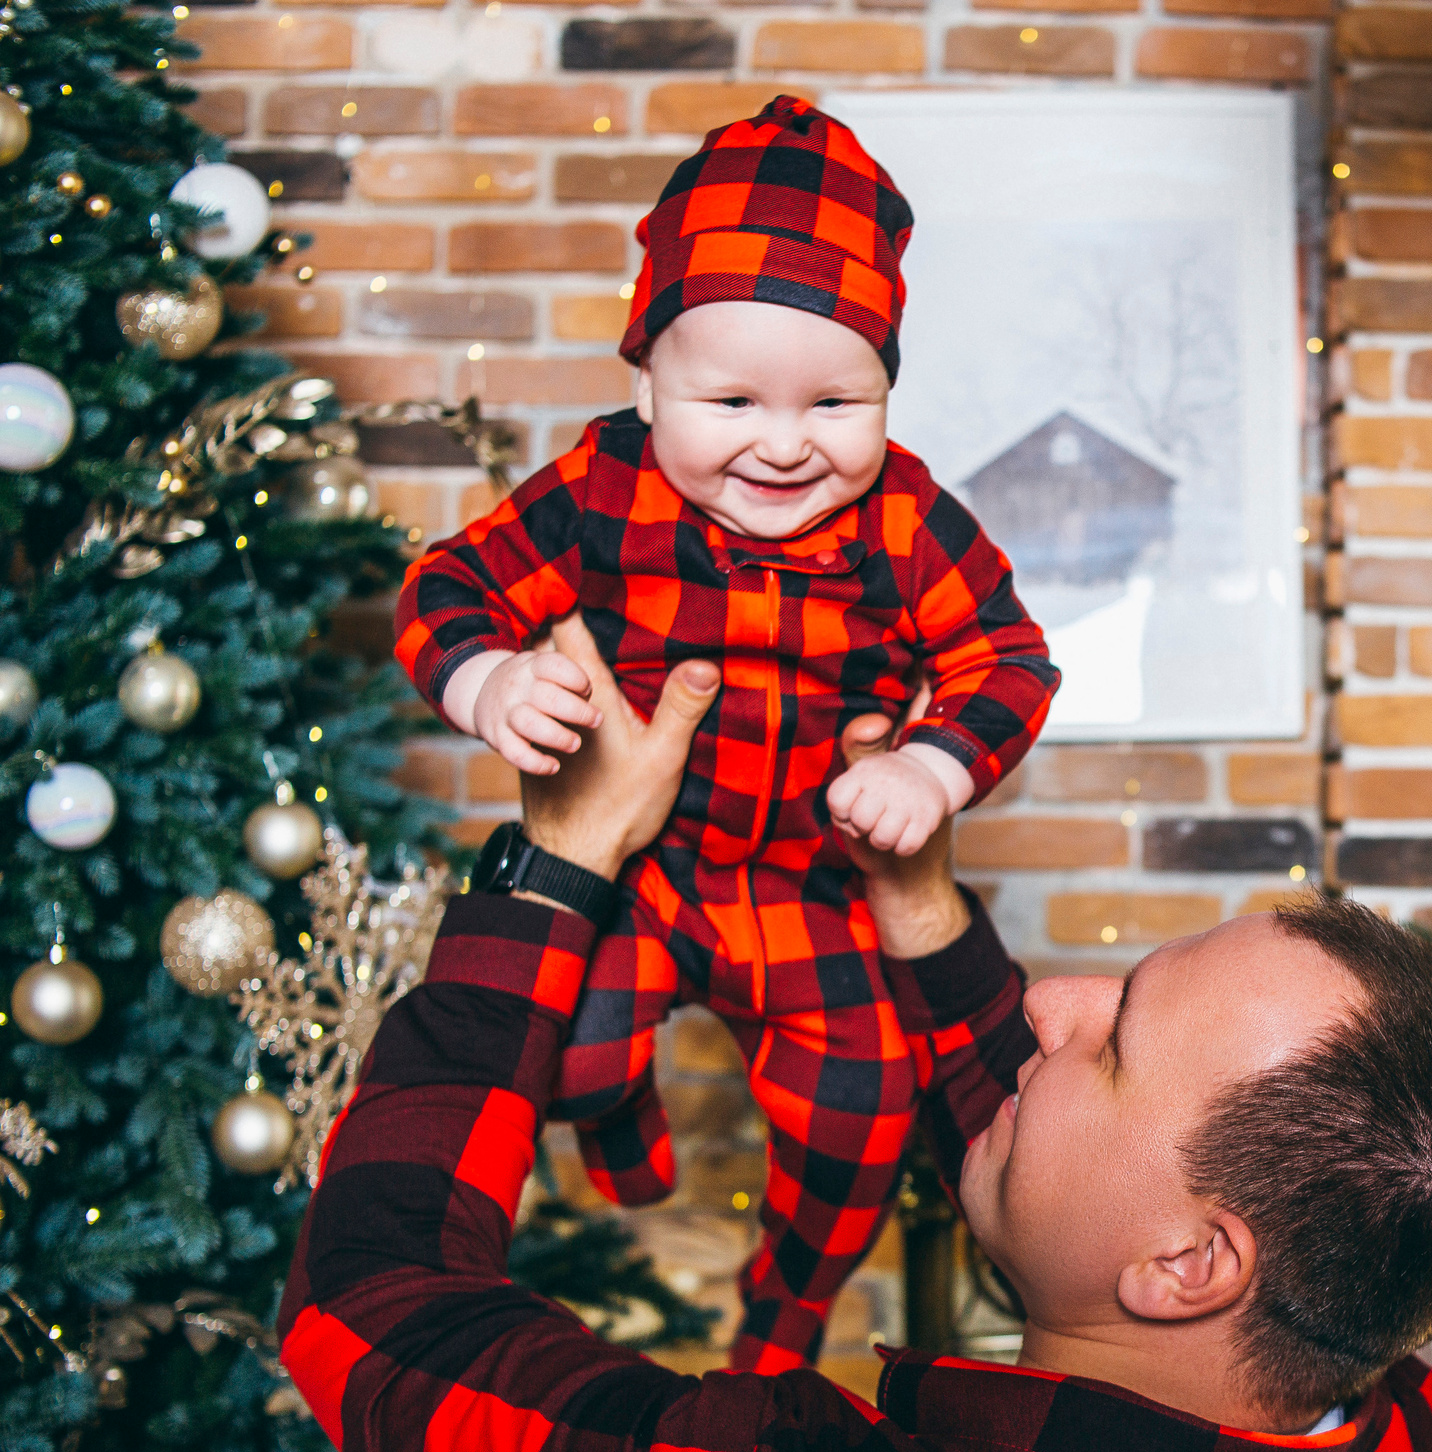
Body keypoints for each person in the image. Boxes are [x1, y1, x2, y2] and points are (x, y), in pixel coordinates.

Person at [278, 618, 1432, 1452]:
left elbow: (373, 1301)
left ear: (1190, 1263)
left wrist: (557, 865)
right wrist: (920, 908)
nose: (1055, 1002)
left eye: (1113, 1042)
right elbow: (1072, 1184)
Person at [392, 95, 1060, 1374]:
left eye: (834, 403)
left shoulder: (908, 521)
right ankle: (619, 1128)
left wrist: (933, 761)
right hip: (651, 876)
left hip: (814, 892)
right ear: (648, 377)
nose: (785, 445)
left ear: (883, 392)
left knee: (864, 1110)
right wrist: (488, 683)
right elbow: (446, 588)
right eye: (735, 399)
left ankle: (787, 1315)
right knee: (571, 1043)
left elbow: (1006, 656)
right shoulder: (602, 487)